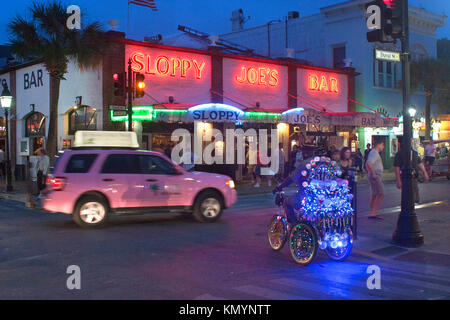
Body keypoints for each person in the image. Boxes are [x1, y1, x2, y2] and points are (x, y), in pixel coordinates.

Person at [273, 156, 309, 224]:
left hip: (306, 197)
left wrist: (279, 187)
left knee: (286, 202)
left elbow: (291, 179)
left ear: (305, 152)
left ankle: (293, 225)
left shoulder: (304, 164)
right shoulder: (322, 163)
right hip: (322, 200)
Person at [365, 141, 385, 219]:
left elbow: (367, 164)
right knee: (381, 193)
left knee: (375, 194)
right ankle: (374, 212)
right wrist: (373, 173)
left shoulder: (373, 152)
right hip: (376, 176)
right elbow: (369, 163)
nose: (383, 147)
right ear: (379, 144)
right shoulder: (374, 153)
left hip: (374, 175)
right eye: (382, 145)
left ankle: (372, 212)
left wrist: (369, 172)